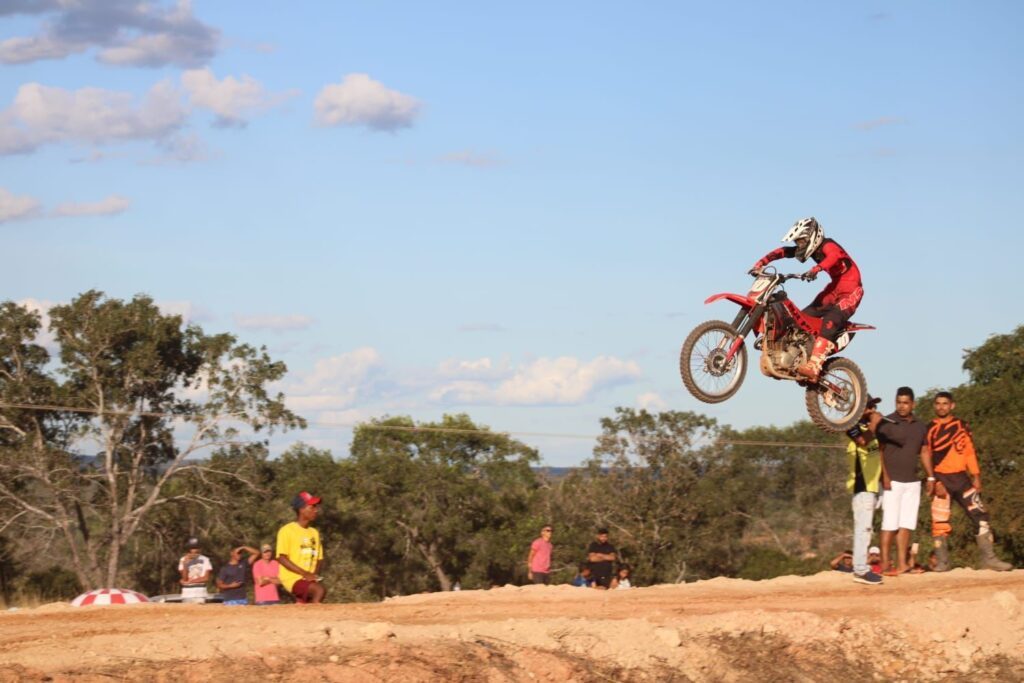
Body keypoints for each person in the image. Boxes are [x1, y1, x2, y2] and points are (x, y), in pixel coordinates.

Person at [750, 217, 864, 381]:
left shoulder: (828, 245)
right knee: (800, 320)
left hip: (852, 289)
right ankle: (797, 357)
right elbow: (782, 251)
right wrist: (761, 263)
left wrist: (816, 269)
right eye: (798, 242)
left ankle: (814, 365)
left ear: (813, 236)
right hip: (834, 289)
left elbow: (833, 256)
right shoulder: (811, 251)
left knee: (831, 319)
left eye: (802, 240)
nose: (800, 245)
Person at [926, 392, 1012, 572]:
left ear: (952, 406)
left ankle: (989, 558)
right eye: (938, 404)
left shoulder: (962, 426)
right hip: (941, 479)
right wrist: (934, 480)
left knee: (981, 517)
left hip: (962, 479)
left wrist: (976, 475)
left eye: (945, 403)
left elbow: (969, 452)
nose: (941, 407)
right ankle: (942, 562)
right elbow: (927, 456)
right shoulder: (930, 429)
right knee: (939, 523)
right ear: (935, 406)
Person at [868, 387, 934, 576]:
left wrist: (930, 476)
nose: (901, 406)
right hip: (893, 482)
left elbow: (924, 452)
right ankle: (886, 565)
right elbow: (879, 450)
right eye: (898, 402)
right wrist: (885, 476)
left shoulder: (921, 426)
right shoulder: (887, 422)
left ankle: (903, 564)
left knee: (906, 524)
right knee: (889, 524)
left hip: (913, 482)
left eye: (905, 402)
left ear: (913, 404)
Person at [844, 395, 884, 585]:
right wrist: (875, 425)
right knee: (863, 529)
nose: (873, 409)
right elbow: (862, 442)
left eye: (873, 406)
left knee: (867, 529)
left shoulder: (871, 428)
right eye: (869, 406)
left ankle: (862, 567)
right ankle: (860, 569)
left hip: (874, 487)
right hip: (862, 488)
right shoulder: (850, 425)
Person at [276, 491, 326, 604]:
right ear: (301, 509)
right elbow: (281, 558)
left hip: (307, 579)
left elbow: (319, 558)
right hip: (292, 578)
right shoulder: (287, 530)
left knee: (305, 602)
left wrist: (313, 575)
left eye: (316, 507)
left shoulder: (314, 533)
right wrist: (305, 574)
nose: (316, 510)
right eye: (312, 507)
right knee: (319, 590)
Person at [178, 537, 213, 602]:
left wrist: (190, 581)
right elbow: (184, 578)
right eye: (193, 548)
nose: (195, 550)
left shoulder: (205, 559)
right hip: (187, 592)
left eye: (197, 548)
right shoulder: (182, 559)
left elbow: (206, 578)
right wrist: (185, 565)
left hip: (200, 592)